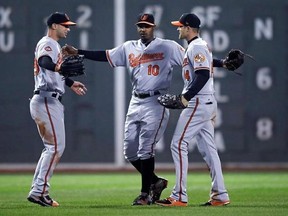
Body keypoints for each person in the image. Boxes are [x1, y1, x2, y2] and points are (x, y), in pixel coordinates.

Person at [62, 13, 228, 206]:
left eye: (147, 25)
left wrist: (221, 64)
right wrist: (78, 52)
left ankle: (151, 194)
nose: (143, 28)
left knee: (155, 147)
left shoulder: (169, 46)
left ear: (153, 27)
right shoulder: (128, 47)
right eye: (140, 25)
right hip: (136, 100)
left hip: (158, 101)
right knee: (130, 151)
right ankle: (167, 184)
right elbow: (105, 55)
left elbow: (197, 61)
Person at [155, 13, 230, 207]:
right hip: (206, 102)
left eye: (180, 26)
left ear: (189, 28)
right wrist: (223, 63)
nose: (178, 29)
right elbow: (207, 64)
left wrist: (186, 97)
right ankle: (220, 194)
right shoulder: (199, 46)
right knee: (209, 149)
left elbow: (203, 74)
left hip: (198, 101)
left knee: (178, 144)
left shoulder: (196, 46)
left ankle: (179, 195)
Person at [27, 12, 87, 207]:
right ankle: (39, 192)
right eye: (64, 25)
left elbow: (50, 70)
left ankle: (38, 190)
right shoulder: (49, 43)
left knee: (51, 149)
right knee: (55, 148)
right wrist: (60, 68)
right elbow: (45, 62)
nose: (68, 29)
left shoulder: (54, 46)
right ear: (54, 26)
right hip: (46, 100)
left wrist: (69, 82)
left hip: (46, 99)